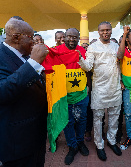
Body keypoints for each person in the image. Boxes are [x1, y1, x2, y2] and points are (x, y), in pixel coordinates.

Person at [0, 18, 49, 166]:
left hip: (35, 135)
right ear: (16, 37)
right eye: (31, 37)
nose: (34, 42)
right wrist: (33, 63)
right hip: (16, 140)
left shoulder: (25, 56)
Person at [44, 28, 89, 165]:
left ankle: (80, 142)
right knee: (67, 122)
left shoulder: (83, 51)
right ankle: (72, 146)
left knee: (82, 120)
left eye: (74, 37)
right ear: (64, 37)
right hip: (64, 95)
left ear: (78, 37)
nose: (71, 39)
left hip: (81, 94)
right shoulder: (56, 51)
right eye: (69, 36)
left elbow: (88, 68)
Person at [78, 21, 122, 161]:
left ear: (111, 31)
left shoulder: (116, 46)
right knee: (98, 119)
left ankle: (112, 141)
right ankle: (99, 145)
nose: (105, 32)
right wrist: (80, 59)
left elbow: (121, 64)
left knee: (114, 118)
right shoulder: (92, 47)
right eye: (103, 30)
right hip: (99, 89)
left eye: (108, 30)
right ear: (98, 32)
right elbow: (88, 67)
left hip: (115, 88)